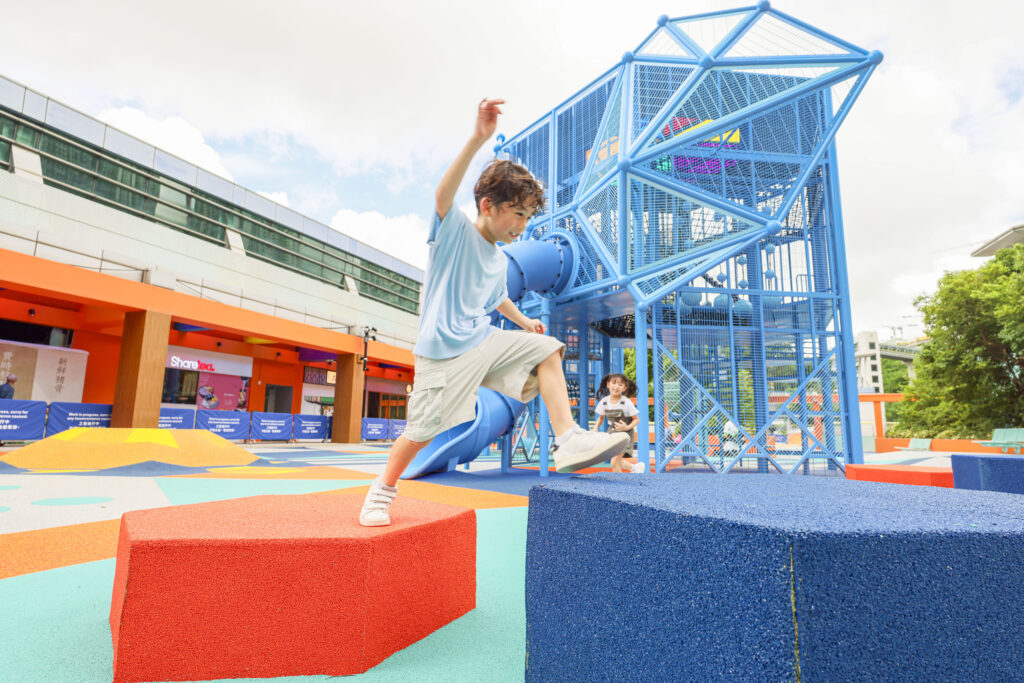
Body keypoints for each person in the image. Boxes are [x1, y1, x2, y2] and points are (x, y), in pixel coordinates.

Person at [359, 98, 630, 526]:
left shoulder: (499, 259)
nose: (522, 226)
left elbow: (495, 298)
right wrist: (477, 139)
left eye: (527, 217)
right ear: (488, 206)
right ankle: (382, 491)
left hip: (481, 339)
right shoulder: (455, 233)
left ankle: (569, 439)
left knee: (547, 347)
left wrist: (524, 322)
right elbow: (442, 195)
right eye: (517, 215)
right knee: (421, 431)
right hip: (442, 353)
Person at [592, 373, 645, 473]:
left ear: (624, 388)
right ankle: (635, 468)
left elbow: (636, 419)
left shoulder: (626, 402)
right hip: (612, 434)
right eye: (613, 383)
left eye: (620, 385)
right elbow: (601, 417)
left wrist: (627, 427)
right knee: (617, 460)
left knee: (614, 461)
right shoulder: (604, 402)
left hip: (625, 435)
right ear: (608, 385)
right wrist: (596, 427)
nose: (616, 387)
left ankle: (619, 484)